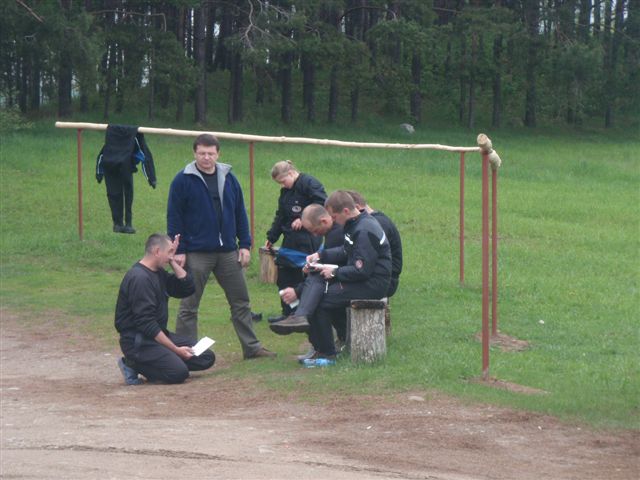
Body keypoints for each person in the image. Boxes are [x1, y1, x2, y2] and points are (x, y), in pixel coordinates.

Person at [167, 134, 275, 359]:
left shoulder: (229, 178)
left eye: (211, 153)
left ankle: (252, 348)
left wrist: (244, 245)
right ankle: (187, 353)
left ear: (218, 154)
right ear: (194, 153)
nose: (206, 158)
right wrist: (179, 250)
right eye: (202, 153)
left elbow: (239, 213)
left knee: (241, 302)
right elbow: (174, 217)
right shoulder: (182, 181)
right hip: (196, 252)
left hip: (227, 251)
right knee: (189, 305)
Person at [280, 191, 392, 366]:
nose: (333, 220)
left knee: (321, 300)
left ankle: (327, 352)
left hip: (373, 285)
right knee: (316, 291)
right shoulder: (356, 224)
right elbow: (346, 251)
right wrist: (320, 255)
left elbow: (362, 270)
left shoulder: (363, 230)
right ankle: (313, 335)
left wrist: (334, 273)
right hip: (364, 280)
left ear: (346, 211)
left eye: (334, 216)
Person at [114, 233, 215, 385]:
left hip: (156, 336)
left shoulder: (158, 272)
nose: (171, 256)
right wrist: (175, 349)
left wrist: (173, 262)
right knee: (178, 373)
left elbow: (187, 289)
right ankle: (132, 364)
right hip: (139, 342)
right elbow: (146, 323)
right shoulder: (140, 278)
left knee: (206, 356)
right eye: (169, 252)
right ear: (156, 251)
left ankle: (165, 359)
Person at [270, 204, 343, 360]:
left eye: (314, 230)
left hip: (346, 281)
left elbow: (334, 269)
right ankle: (319, 346)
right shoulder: (331, 233)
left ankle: (325, 350)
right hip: (338, 279)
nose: (314, 234)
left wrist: (298, 291)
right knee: (311, 295)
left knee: (315, 300)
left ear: (323, 221)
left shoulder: (336, 234)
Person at [265, 160, 327, 323]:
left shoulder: (310, 184)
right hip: (290, 238)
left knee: (303, 275)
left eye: (283, 181)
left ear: (291, 173)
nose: (283, 185)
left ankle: (305, 313)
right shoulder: (285, 192)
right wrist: (272, 237)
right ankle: (288, 312)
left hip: (308, 239)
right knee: (284, 275)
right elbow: (281, 215)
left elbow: (322, 204)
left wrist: (303, 218)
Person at [346, 190, 403, 297]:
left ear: (357, 208)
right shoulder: (373, 221)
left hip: (385, 281)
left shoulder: (374, 225)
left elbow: (365, 258)